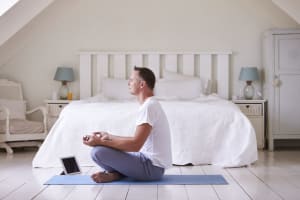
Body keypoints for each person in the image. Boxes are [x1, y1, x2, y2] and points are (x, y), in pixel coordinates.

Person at [83, 66, 172, 183]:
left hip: (152, 168)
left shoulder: (149, 107)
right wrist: (108, 136)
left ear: (141, 84)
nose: (128, 83)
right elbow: (135, 141)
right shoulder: (150, 105)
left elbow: (135, 145)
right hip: (147, 162)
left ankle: (117, 174)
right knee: (98, 151)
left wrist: (100, 142)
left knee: (97, 152)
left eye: (132, 80)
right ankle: (117, 175)